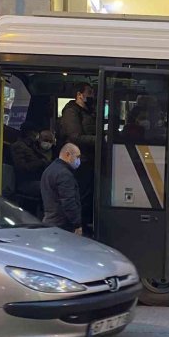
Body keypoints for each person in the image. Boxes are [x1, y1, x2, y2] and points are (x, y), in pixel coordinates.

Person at [60, 83, 96, 232]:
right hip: (80, 158)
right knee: (80, 193)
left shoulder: (89, 112)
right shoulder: (71, 111)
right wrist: (98, 139)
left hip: (89, 158)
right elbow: (74, 136)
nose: (92, 95)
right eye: (89, 92)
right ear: (79, 94)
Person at [40, 143, 83, 234]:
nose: (78, 160)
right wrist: (77, 224)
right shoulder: (65, 174)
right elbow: (68, 202)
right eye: (77, 157)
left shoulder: (49, 170)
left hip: (49, 220)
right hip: (62, 226)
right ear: (67, 155)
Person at [11, 125, 55, 197]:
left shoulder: (32, 146)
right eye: (35, 133)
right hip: (26, 182)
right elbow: (22, 168)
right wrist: (41, 163)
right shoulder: (18, 146)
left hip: (37, 179)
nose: (36, 136)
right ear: (29, 134)